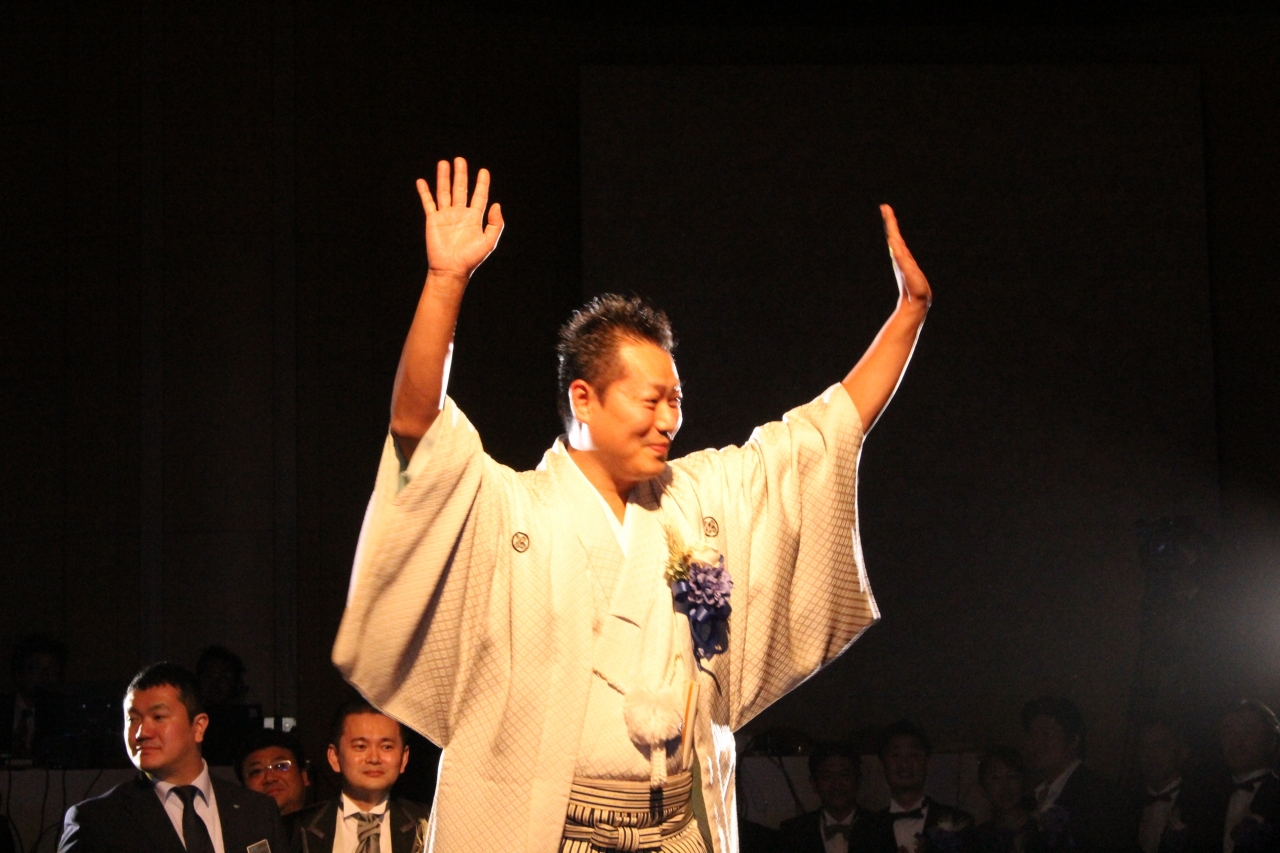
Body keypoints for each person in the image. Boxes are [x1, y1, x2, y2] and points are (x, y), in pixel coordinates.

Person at [331, 157, 932, 853]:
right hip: (548, 832)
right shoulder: (512, 511)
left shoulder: (697, 499)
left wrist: (908, 315)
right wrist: (445, 282)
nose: (670, 419)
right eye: (651, 400)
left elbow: (822, 435)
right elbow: (418, 426)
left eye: (676, 399)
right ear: (583, 399)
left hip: (675, 827)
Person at [58, 662, 288, 853]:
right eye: (133, 719)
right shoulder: (96, 821)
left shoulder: (257, 811)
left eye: (158, 717)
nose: (141, 733)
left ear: (198, 727)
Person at [291, 699, 428, 853]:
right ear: (334, 757)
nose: (374, 758)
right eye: (361, 746)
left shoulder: (429, 824)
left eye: (386, 747)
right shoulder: (295, 829)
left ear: (404, 758)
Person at [1021, 696, 1132, 852]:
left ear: (1073, 740)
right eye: (1032, 735)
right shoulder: (1035, 796)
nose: (1036, 743)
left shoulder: (1098, 794)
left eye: (1046, 734)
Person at [848, 720, 974, 853]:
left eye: (913, 755)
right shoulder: (865, 829)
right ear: (882, 766)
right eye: (896, 755)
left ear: (927, 763)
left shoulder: (960, 822)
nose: (904, 763)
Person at [778, 742, 866, 853]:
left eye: (844, 776)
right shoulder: (793, 832)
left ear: (858, 780)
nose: (836, 785)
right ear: (814, 783)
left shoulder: (880, 828)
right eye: (827, 777)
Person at [1, 633, 67, 760]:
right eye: (35, 669)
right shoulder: (4, 707)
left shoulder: (61, 713)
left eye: (52, 670)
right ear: (18, 673)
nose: (44, 676)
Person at [1133, 719, 1189, 853]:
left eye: (1161, 745)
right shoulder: (1128, 803)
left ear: (1180, 751)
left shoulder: (1197, 803)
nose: (1151, 754)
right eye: (1145, 747)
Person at [237, 729, 313, 827]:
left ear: (304, 776)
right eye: (256, 771)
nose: (269, 778)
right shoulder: (231, 834)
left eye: (280, 766)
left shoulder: (330, 827)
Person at [972, 746, 1034, 853]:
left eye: (1011, 776)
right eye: (995, 778)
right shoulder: (979, 838)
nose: (1005, 786)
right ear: (982, 788)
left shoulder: (1044, 828)